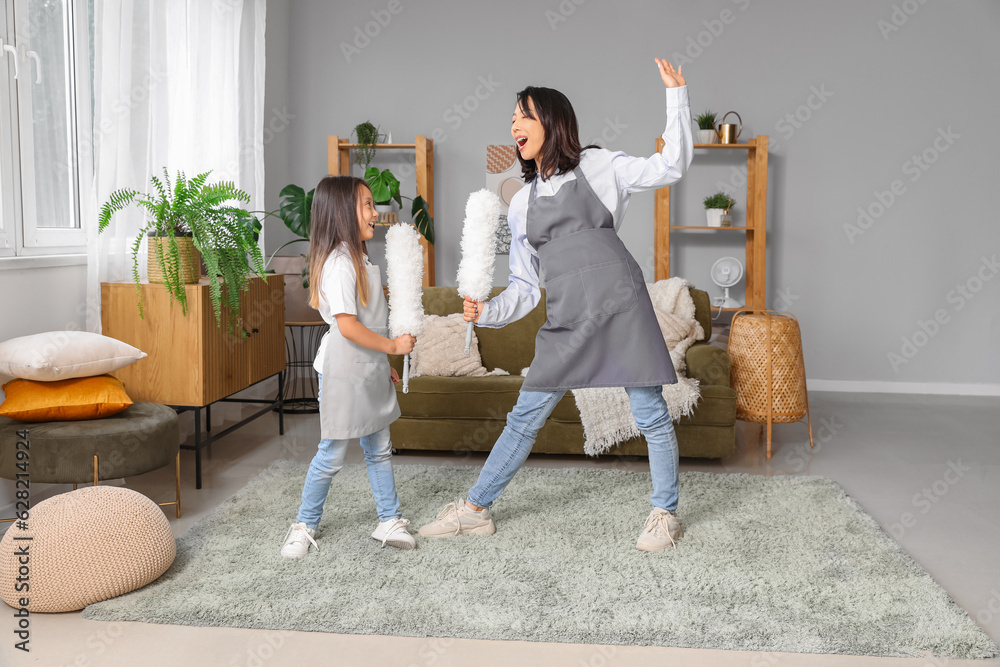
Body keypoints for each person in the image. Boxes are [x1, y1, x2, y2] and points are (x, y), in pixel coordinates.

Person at [418, 59, 694, 552]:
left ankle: (664, 513)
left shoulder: (600, 165)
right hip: (568, 318)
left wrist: (677, 96)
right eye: (512, 119)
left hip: (621, 305)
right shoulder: (521, 202)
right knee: (525, 417)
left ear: (553, 120)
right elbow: (524, 287)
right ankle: (475, 510)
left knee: (650, 413)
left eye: (523, 115)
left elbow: (669, 166)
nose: (514, 126)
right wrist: (489, 313)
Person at [281, 175, 417, 557]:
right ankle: (303, 525)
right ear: (342, 213)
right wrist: (392, 345)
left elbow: (368, 322)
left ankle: (388, 519)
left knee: (379, 445)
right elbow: (348, 326)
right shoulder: (340, 264)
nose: (376, 213)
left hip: (367, 363)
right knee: (333, 451)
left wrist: (384, 361)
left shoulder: (361, 259)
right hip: (342, 367)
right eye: (368, 205)